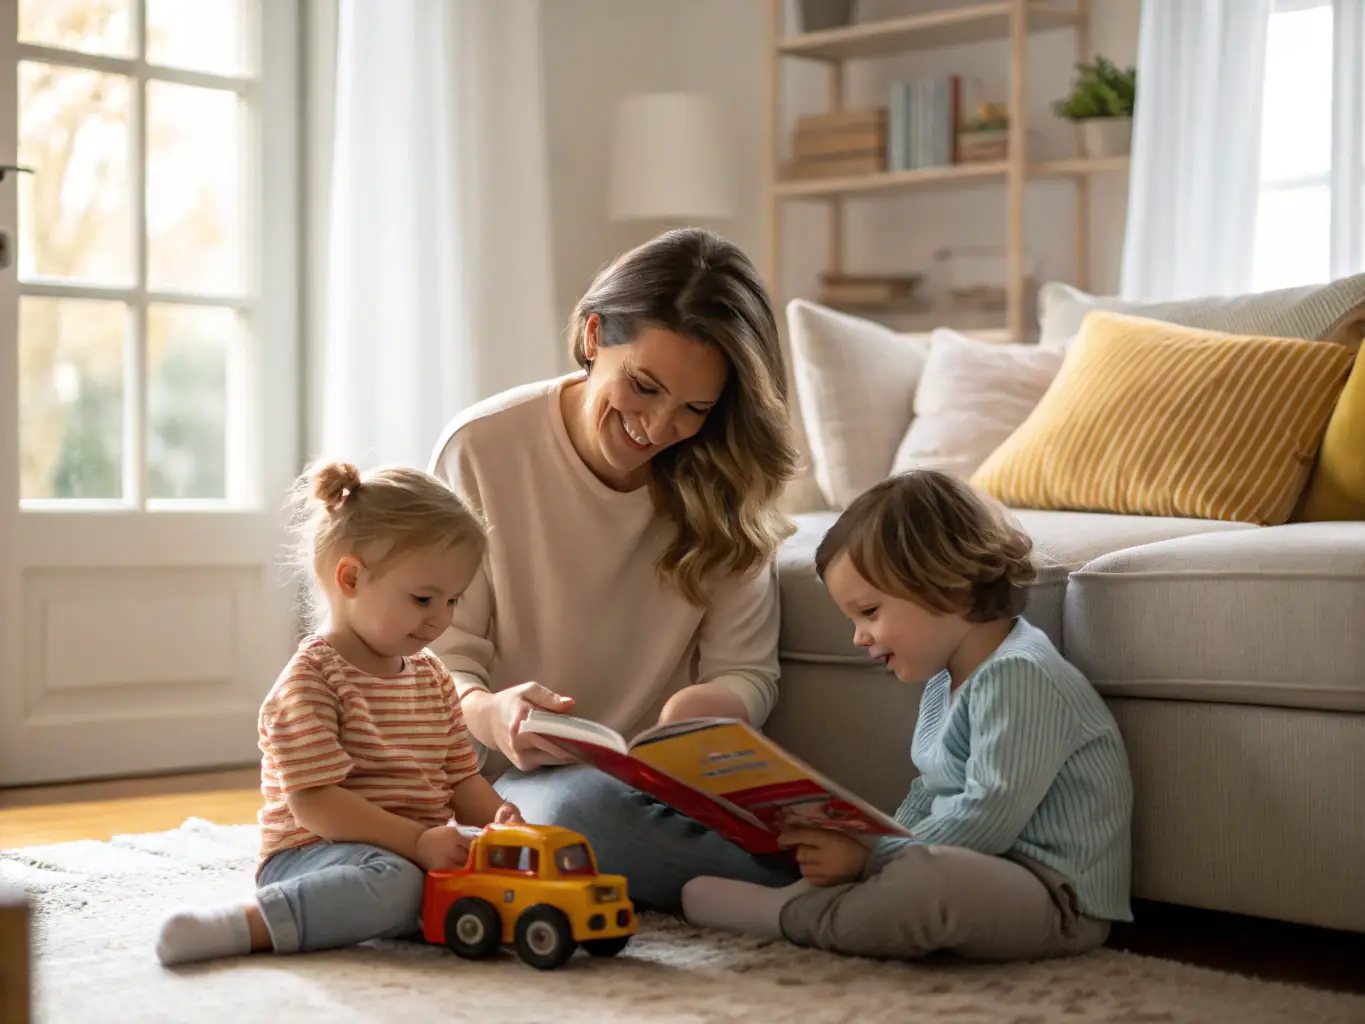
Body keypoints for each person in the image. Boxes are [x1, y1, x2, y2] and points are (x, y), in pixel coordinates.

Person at [427, 228, 804, 912]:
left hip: (673, 782)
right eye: (644, 386)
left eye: (694, 409)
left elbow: (747, 671)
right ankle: (807, 890)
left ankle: (797, 879)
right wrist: (494, 714)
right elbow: (438, 667)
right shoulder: (483, 449)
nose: (658, 428)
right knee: (577, 816)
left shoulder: (726, 477)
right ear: (594, 336)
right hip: (520, 781)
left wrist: (708, 710)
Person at [681, 470, 1134, 962]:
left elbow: (987, 818)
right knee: (907, 869)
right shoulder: (946, 678)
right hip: (977, 869)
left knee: (924, 883)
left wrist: (873, 856)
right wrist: (873, 841)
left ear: (953, 589)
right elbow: (927, 794)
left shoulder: (1020, 673)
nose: (859, 637)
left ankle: (792, 918)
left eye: (869, 612)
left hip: (1055, 897)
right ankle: (816, 901)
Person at [154, 461, 521, 966]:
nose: (442, 617)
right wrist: (415, 840)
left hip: (412, 850)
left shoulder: (433, 677)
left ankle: (398, 907)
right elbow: (316, 804)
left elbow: (461, 779)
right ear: (350, 578)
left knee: (486, 876)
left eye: (453, 599)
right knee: (400, 885)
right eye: (423, 598)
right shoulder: (312, 679)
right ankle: (248, 924)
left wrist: (502, 822)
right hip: (315, 854)